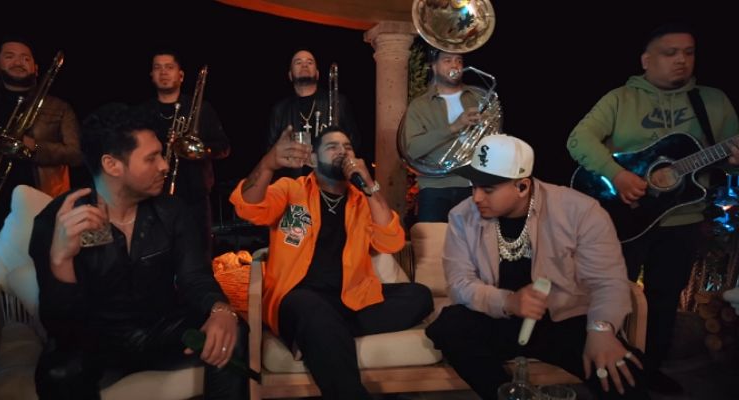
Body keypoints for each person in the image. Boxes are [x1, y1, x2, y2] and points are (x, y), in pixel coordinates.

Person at [29, 104, 248, 399]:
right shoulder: (58, 220)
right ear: (112, 165)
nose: (165, 165)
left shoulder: (172, 211)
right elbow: (59, 326)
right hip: (93, 339)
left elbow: (195, 278)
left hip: (160, 329)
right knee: (59, 371)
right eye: (151, 158)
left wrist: (221, 310)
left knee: (232, 331)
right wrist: (61, 259)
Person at [566, 22, 739, 394]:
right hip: (623, 216)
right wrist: (618, 175)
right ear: (646, 60)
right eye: (670, 53)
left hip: (683, 219)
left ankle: (648, 370)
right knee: (613, 293)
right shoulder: (621, 99)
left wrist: (734, 163)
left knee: (664, 301)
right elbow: (579, 140)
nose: (681, 60)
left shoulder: (713, 102)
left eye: (688, 53)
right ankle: (605, 369)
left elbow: (728, 161)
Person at [426, 134, 651, 400]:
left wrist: (601, 329)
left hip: (562, 320)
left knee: (624, 375)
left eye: (488, 189)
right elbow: (460, 283)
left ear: (522, 186)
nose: (476, 197)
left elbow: (608, 280)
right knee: (450, 325)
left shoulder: (580, 210)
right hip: (498, 319)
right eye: (473, 186)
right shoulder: (462, 216)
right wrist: (508, 301)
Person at [230, 125, 432, 398]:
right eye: (333, 146)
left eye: (348, 147)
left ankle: (314, 335)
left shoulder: (362, 201)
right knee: (312, 309)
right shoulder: (291, 190)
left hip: (350, 299)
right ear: (313, 159)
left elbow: (392, 242)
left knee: (419, 296)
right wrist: (267, 165)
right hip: (298, 297)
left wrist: (369, 186)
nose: (343, 152)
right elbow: (248, 207)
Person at [0, 38, 81, 248]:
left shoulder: (60, 107)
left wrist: (36, 147)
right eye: (9, 56)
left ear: (36, 68)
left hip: (42, 204)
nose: (18, 62)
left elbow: (77, 154)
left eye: (25, 58)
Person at [137, 50, 230, 257]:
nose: (163, 72)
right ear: (151, 75)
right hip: (153, 197)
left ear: (181, 75)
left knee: (199, 256)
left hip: (195, 197)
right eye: (157, 68)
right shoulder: (143, 112)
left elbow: (223, 147)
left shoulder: (201, 108)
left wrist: (196, 148)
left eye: (169, 67)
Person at [403, 47, 487, 223]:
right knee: (433, 240)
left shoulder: (479, 98)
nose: (455, 65)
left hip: (474, 187)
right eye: (447, 60)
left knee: (477, 240)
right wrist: (455, 126)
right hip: (434, 189)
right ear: (434, 67)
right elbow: (413, 149)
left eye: (459, 60)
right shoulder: (420, 106)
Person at [268, 48, 361, 180]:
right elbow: (271, 151)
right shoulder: (280, 109)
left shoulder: (338, 102)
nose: (304, 65)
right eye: (298, 62)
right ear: (290, 75)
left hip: (330, 181)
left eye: (310, 62)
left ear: (317, 74)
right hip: (293, 182)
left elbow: (354, 142)